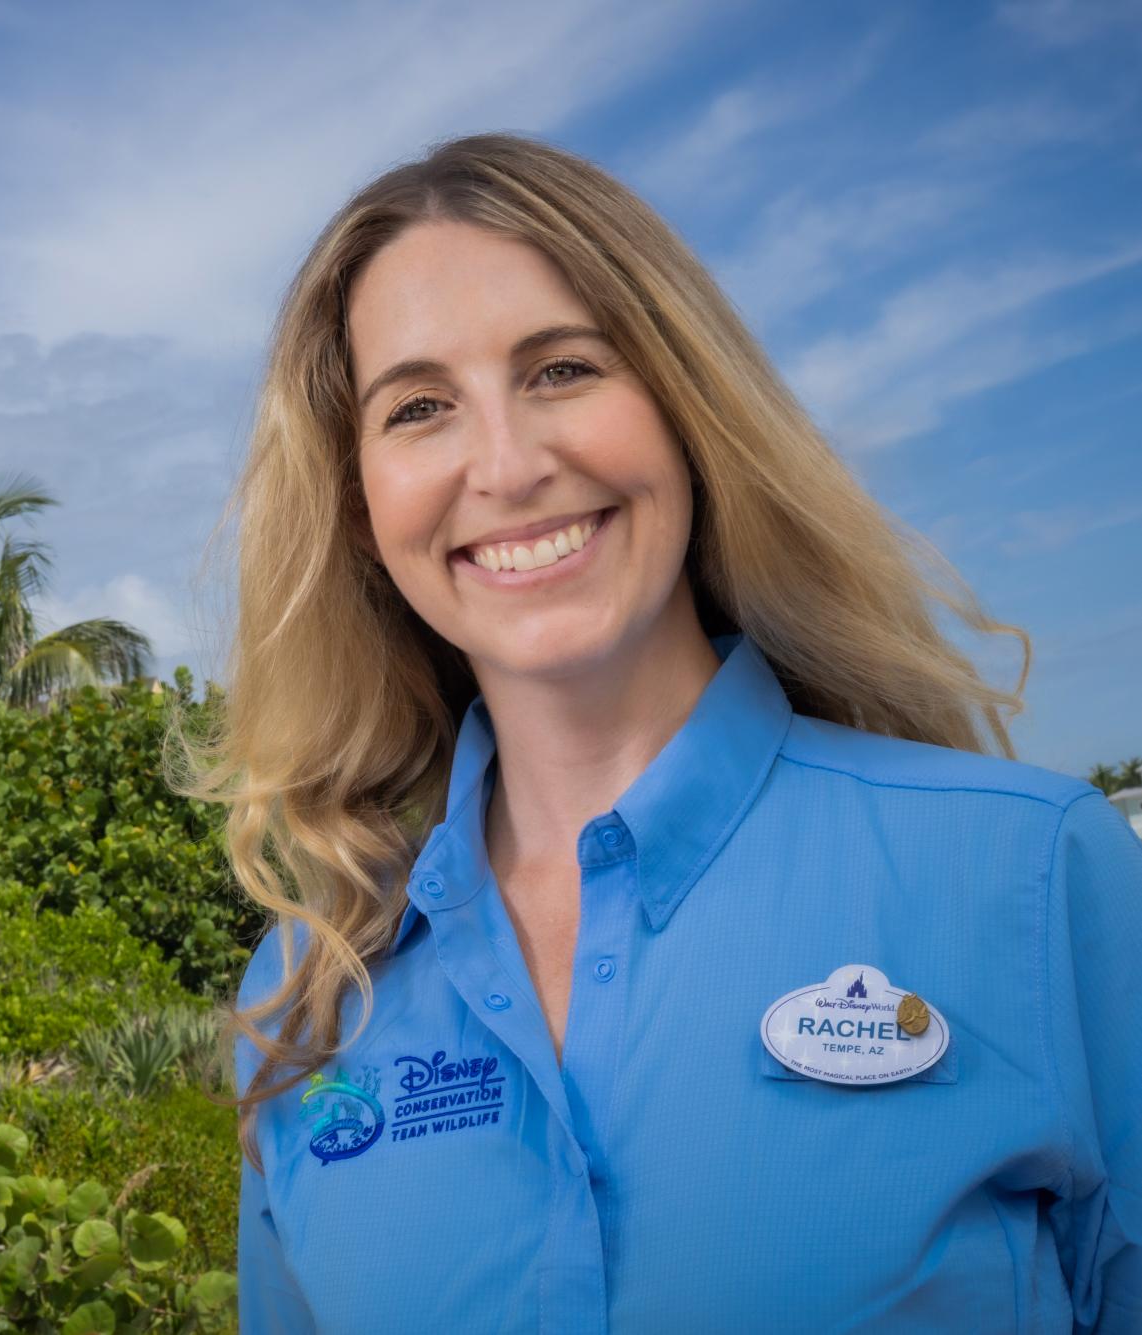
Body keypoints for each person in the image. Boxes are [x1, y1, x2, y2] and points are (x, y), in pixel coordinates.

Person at [169, 133, 1142, 1332]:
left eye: (563, 370)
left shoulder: (1037, 879)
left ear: (687, 408)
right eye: (419, 408)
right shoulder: (311, 993)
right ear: (362, 508)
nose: (508, 463)